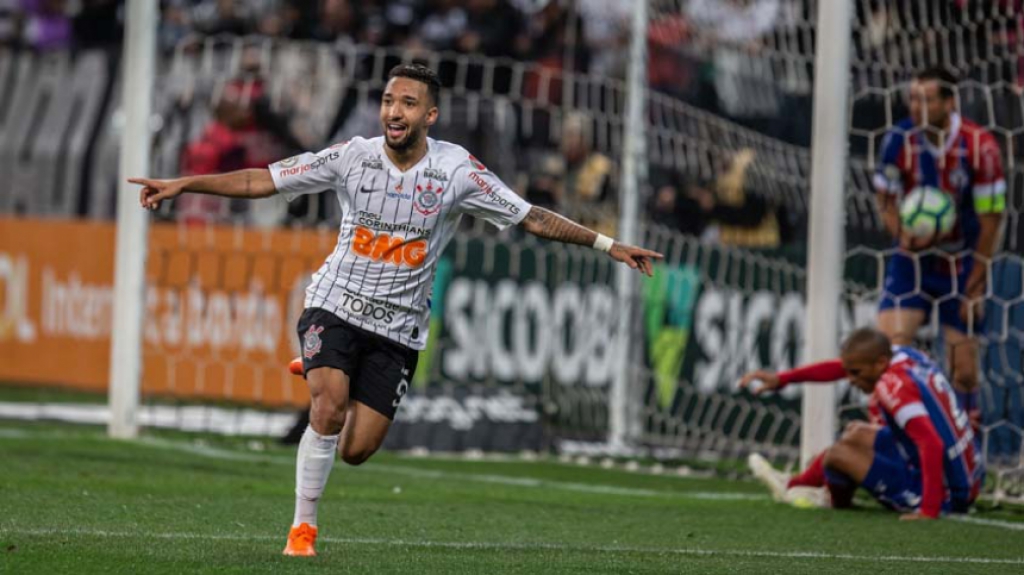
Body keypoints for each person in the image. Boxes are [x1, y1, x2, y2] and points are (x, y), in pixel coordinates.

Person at [128, 63, 662, 557]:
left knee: (356, 450)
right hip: (334, 302)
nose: (394, 112)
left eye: (407, 103)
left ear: (429, 115)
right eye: (387, 101)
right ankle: (302, 527)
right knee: (329, 409)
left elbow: (531, 218)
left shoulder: (456, 172)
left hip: (399, 328)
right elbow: (261, 179)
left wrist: (607, 245)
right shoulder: (351, 156)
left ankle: (322, 368)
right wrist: (182, 184)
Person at [873, 66, 1006, 425]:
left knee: (963, 369)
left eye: (927, 99)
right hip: (912, 260)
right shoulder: (898, 140)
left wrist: (976, 280)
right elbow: (884, 196)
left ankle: (966, 455)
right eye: (913, 98)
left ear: (949, 102)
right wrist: (901, 233)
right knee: (888, 348)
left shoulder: (981, 146)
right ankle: (887, 442)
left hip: (962, 262)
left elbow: (992, 218)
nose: (917, 107)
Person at [738, 328, 983, 520]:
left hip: (949, 495)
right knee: (855, 432)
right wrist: (783, 379)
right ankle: (794, 484)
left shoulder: (892, 386)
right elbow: (840, 368)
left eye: (856, 373)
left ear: (879, 364)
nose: (851, 380)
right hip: (968, 476)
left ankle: (822, 496)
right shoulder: (904, 355)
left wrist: (929, 510)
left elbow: (931, 443)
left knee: (836, 455)